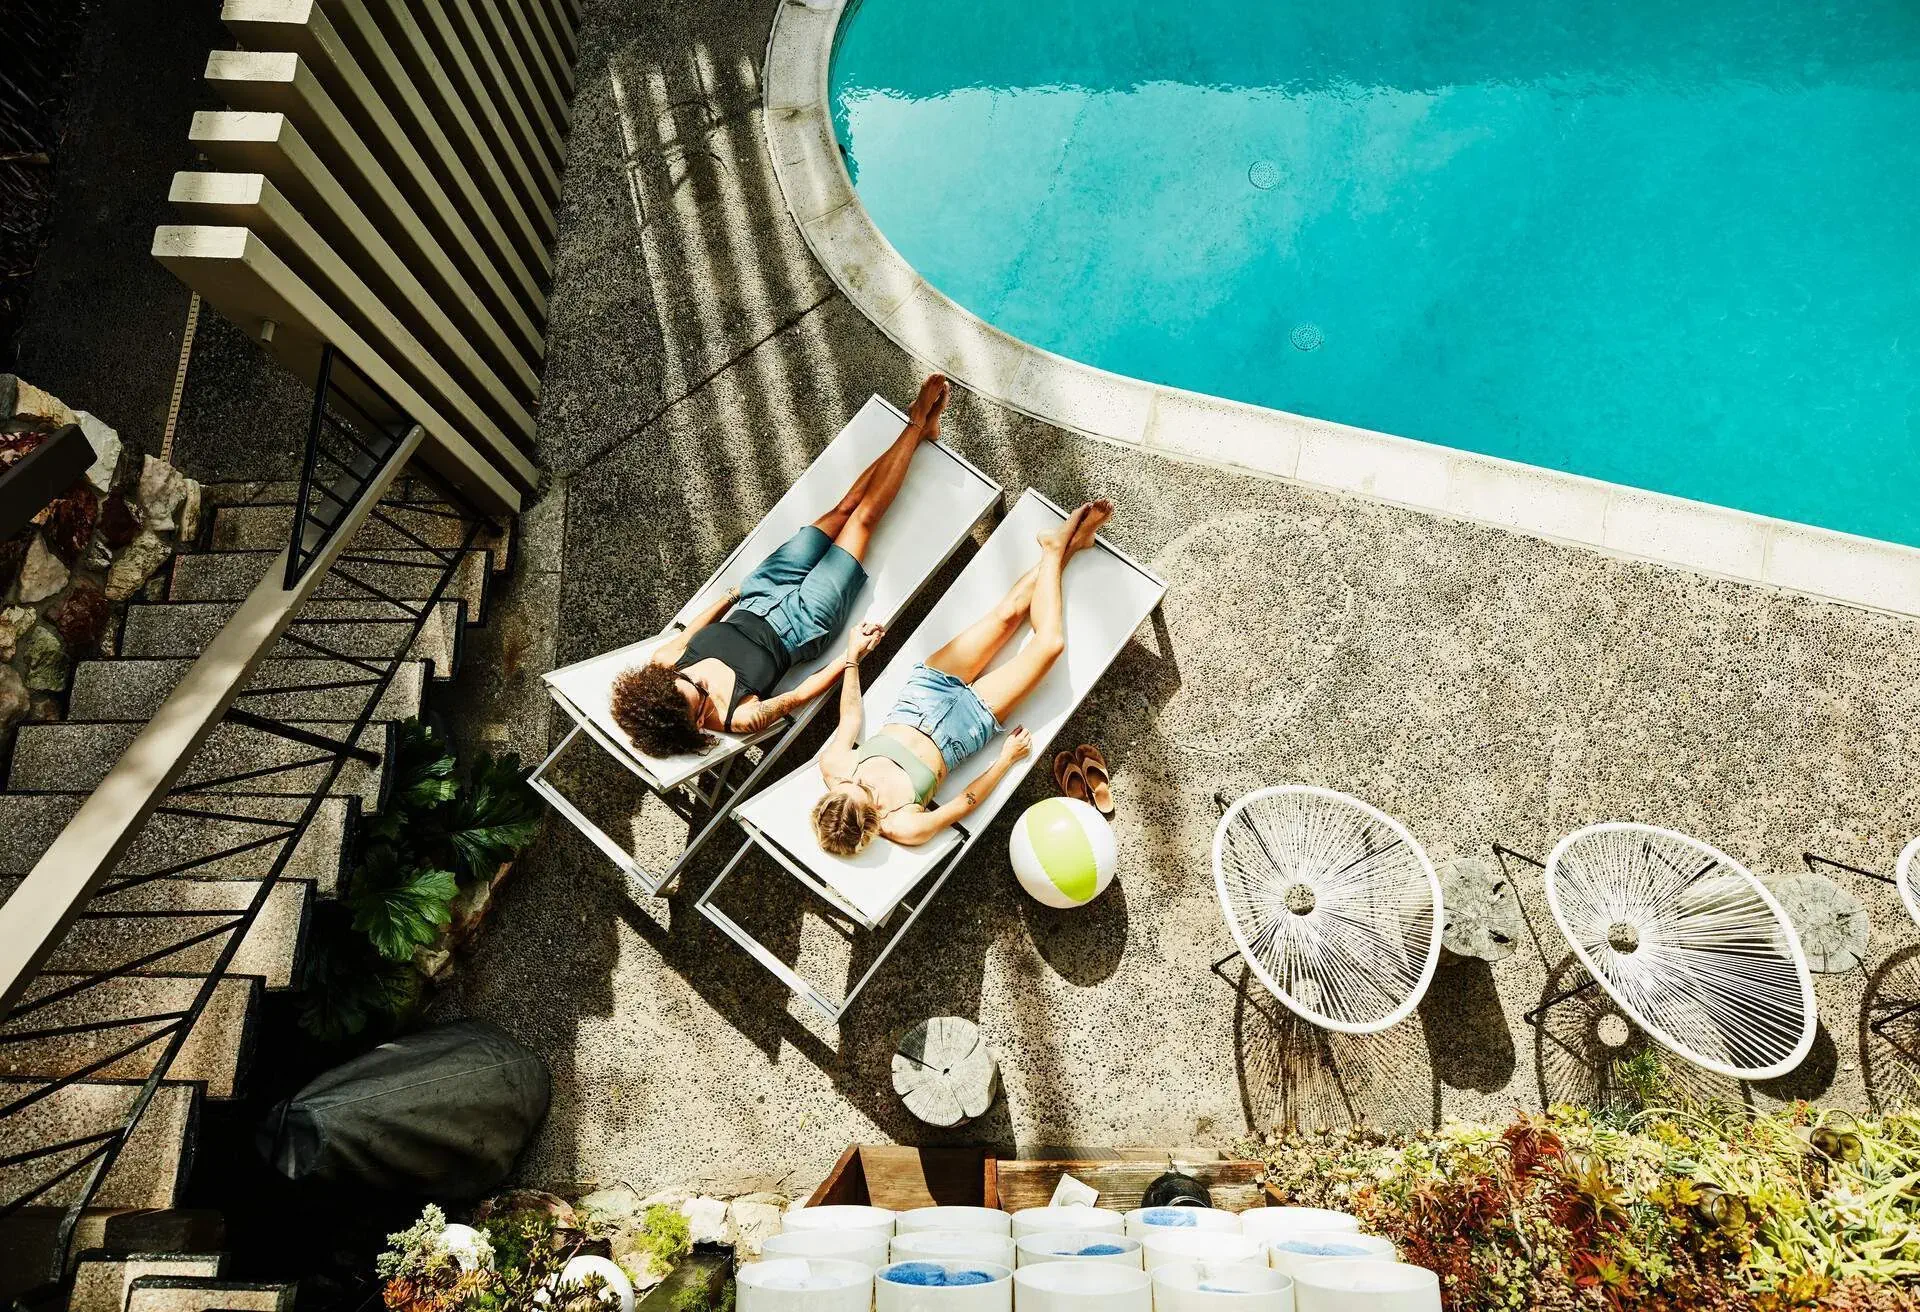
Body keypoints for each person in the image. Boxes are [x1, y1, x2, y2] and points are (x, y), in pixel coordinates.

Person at [610, 375, 951, 757]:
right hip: (805, 621)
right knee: (862, 520)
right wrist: (852, 654)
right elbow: (801, 693)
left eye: (691, 682)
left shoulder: (665, 663)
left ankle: (919, 431)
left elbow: (693, 630)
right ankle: (916, 422)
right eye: (701, 697)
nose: (702, 683)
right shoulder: (739, 717)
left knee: (844, 508)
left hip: (761, 591)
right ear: (696, 722)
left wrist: (734, 593)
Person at [810, 498, 1113, 852]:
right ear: (871, 824)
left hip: (925, 693)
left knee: (1007, 614)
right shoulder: (904, 826)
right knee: (1050, 646)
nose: (866, 784)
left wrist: (852, 658)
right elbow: (963, 802)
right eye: (868, 795)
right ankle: (1058, 548)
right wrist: (1005, 760)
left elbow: (850, 718)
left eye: (856, 783)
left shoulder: (834, 767)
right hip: (968, 725)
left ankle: (1064, 547)